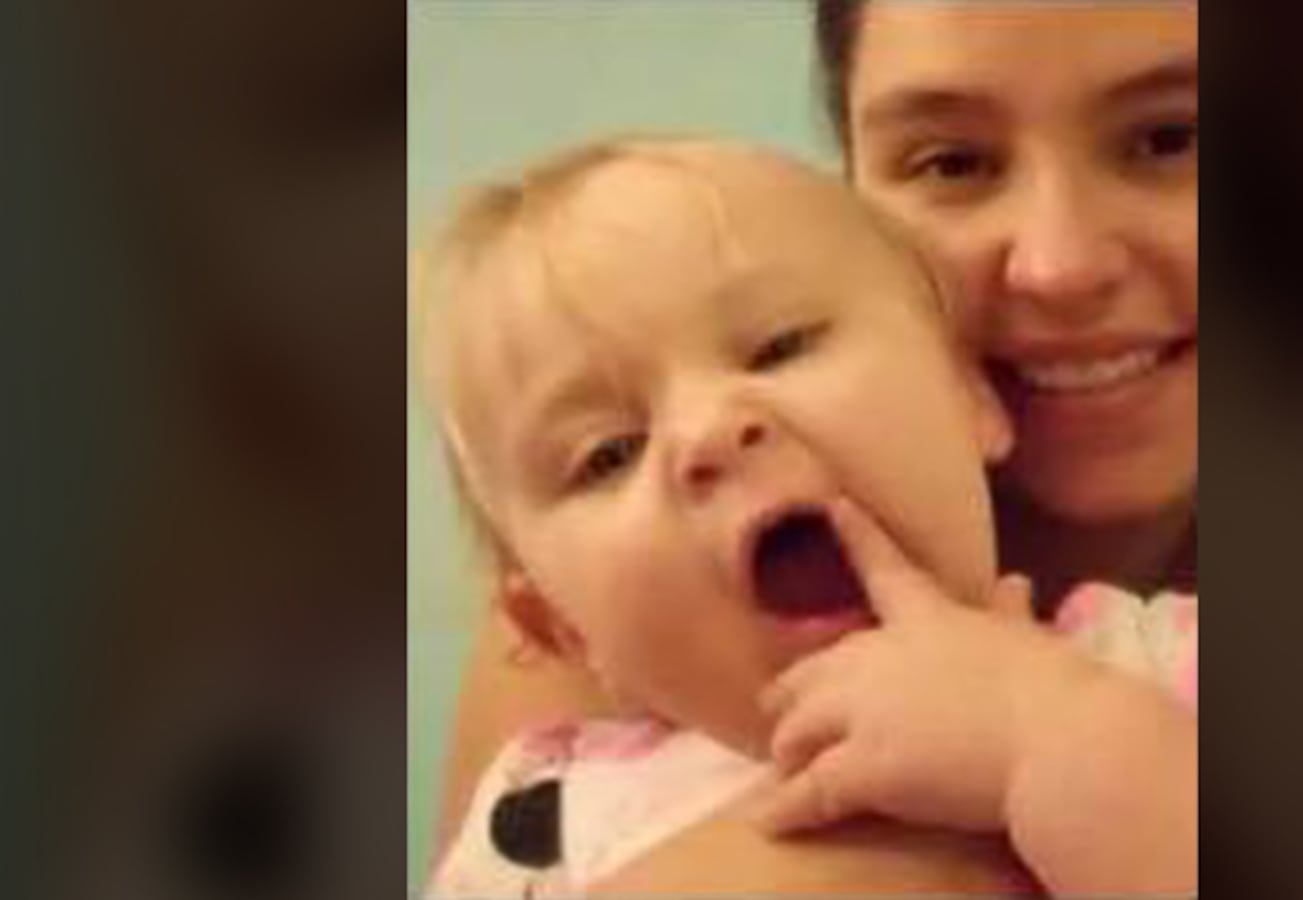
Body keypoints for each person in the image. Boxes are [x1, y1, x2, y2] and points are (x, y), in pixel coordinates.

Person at [439, 1, 1199, 894]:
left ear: (969, 391)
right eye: (952, 160)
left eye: (1172, 137)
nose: (1058, 265)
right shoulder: (546, 801)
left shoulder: (1166, 679)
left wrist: (1048, 741)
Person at [420, 137, 1026, 896]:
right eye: (609, 453)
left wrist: (1052, 746)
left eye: (779, 347)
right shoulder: (545, 819)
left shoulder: (1149, 674)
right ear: (565, 627)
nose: (708, 430)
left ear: (970, 393)